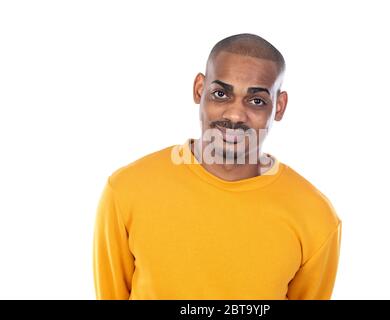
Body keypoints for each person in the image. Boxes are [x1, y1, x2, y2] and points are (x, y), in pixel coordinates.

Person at [93, 33, 342, 300]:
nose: (235, 115)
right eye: (221, 94)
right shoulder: (127, 190)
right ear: (199, 89)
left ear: (279, 107)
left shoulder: (316, 217)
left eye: (256, 100)